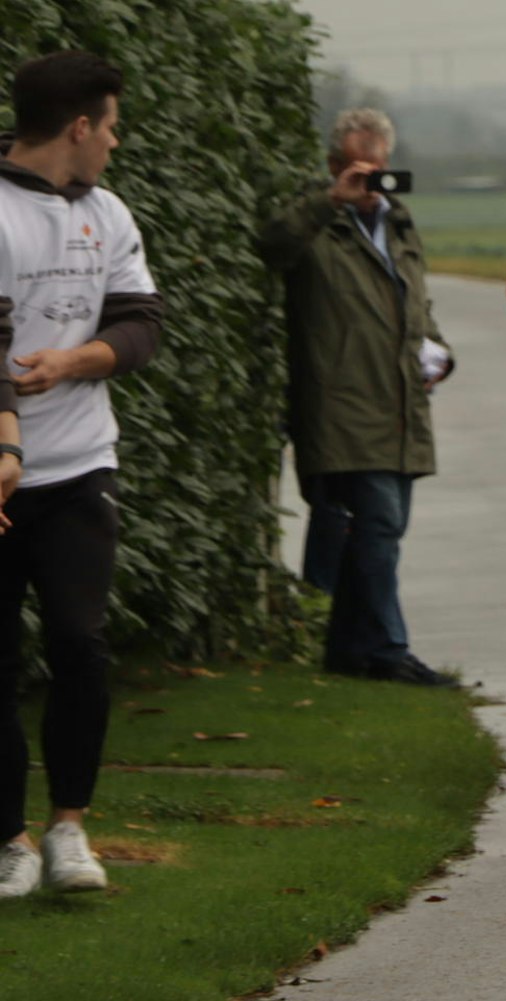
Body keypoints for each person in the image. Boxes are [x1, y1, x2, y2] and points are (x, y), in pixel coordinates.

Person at [0, 51, 165, 898]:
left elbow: (140, 325)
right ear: (79, 126)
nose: (114, 140)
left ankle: (69, 828)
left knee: (81, 645)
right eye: (110, 124)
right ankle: (9, 840)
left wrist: (74, 361)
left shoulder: (110, 212)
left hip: (78, 468)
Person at [258, 108, 458, 688]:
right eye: (354, 167)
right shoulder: (316, 222)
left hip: (400, 401)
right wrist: (331, 200)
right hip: (342, 405)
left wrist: (438, 351)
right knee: (381, 523)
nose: (369, 179)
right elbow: (270, 247)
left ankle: (347, 649)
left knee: (382, 528)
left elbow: (416, 304)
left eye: (378, 168)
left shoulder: (399, 223)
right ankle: (388, 649)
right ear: (333, 166)